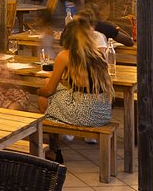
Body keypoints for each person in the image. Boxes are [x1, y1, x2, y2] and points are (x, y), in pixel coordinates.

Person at [36, 18, 113, 162]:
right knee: (58, 94)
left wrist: (38, 91)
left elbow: (48, 90)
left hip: (84, 112)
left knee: (43, 99)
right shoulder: (99, 55)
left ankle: (54, 150)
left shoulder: (65, 55)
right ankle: (56, 142)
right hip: (103, 112)